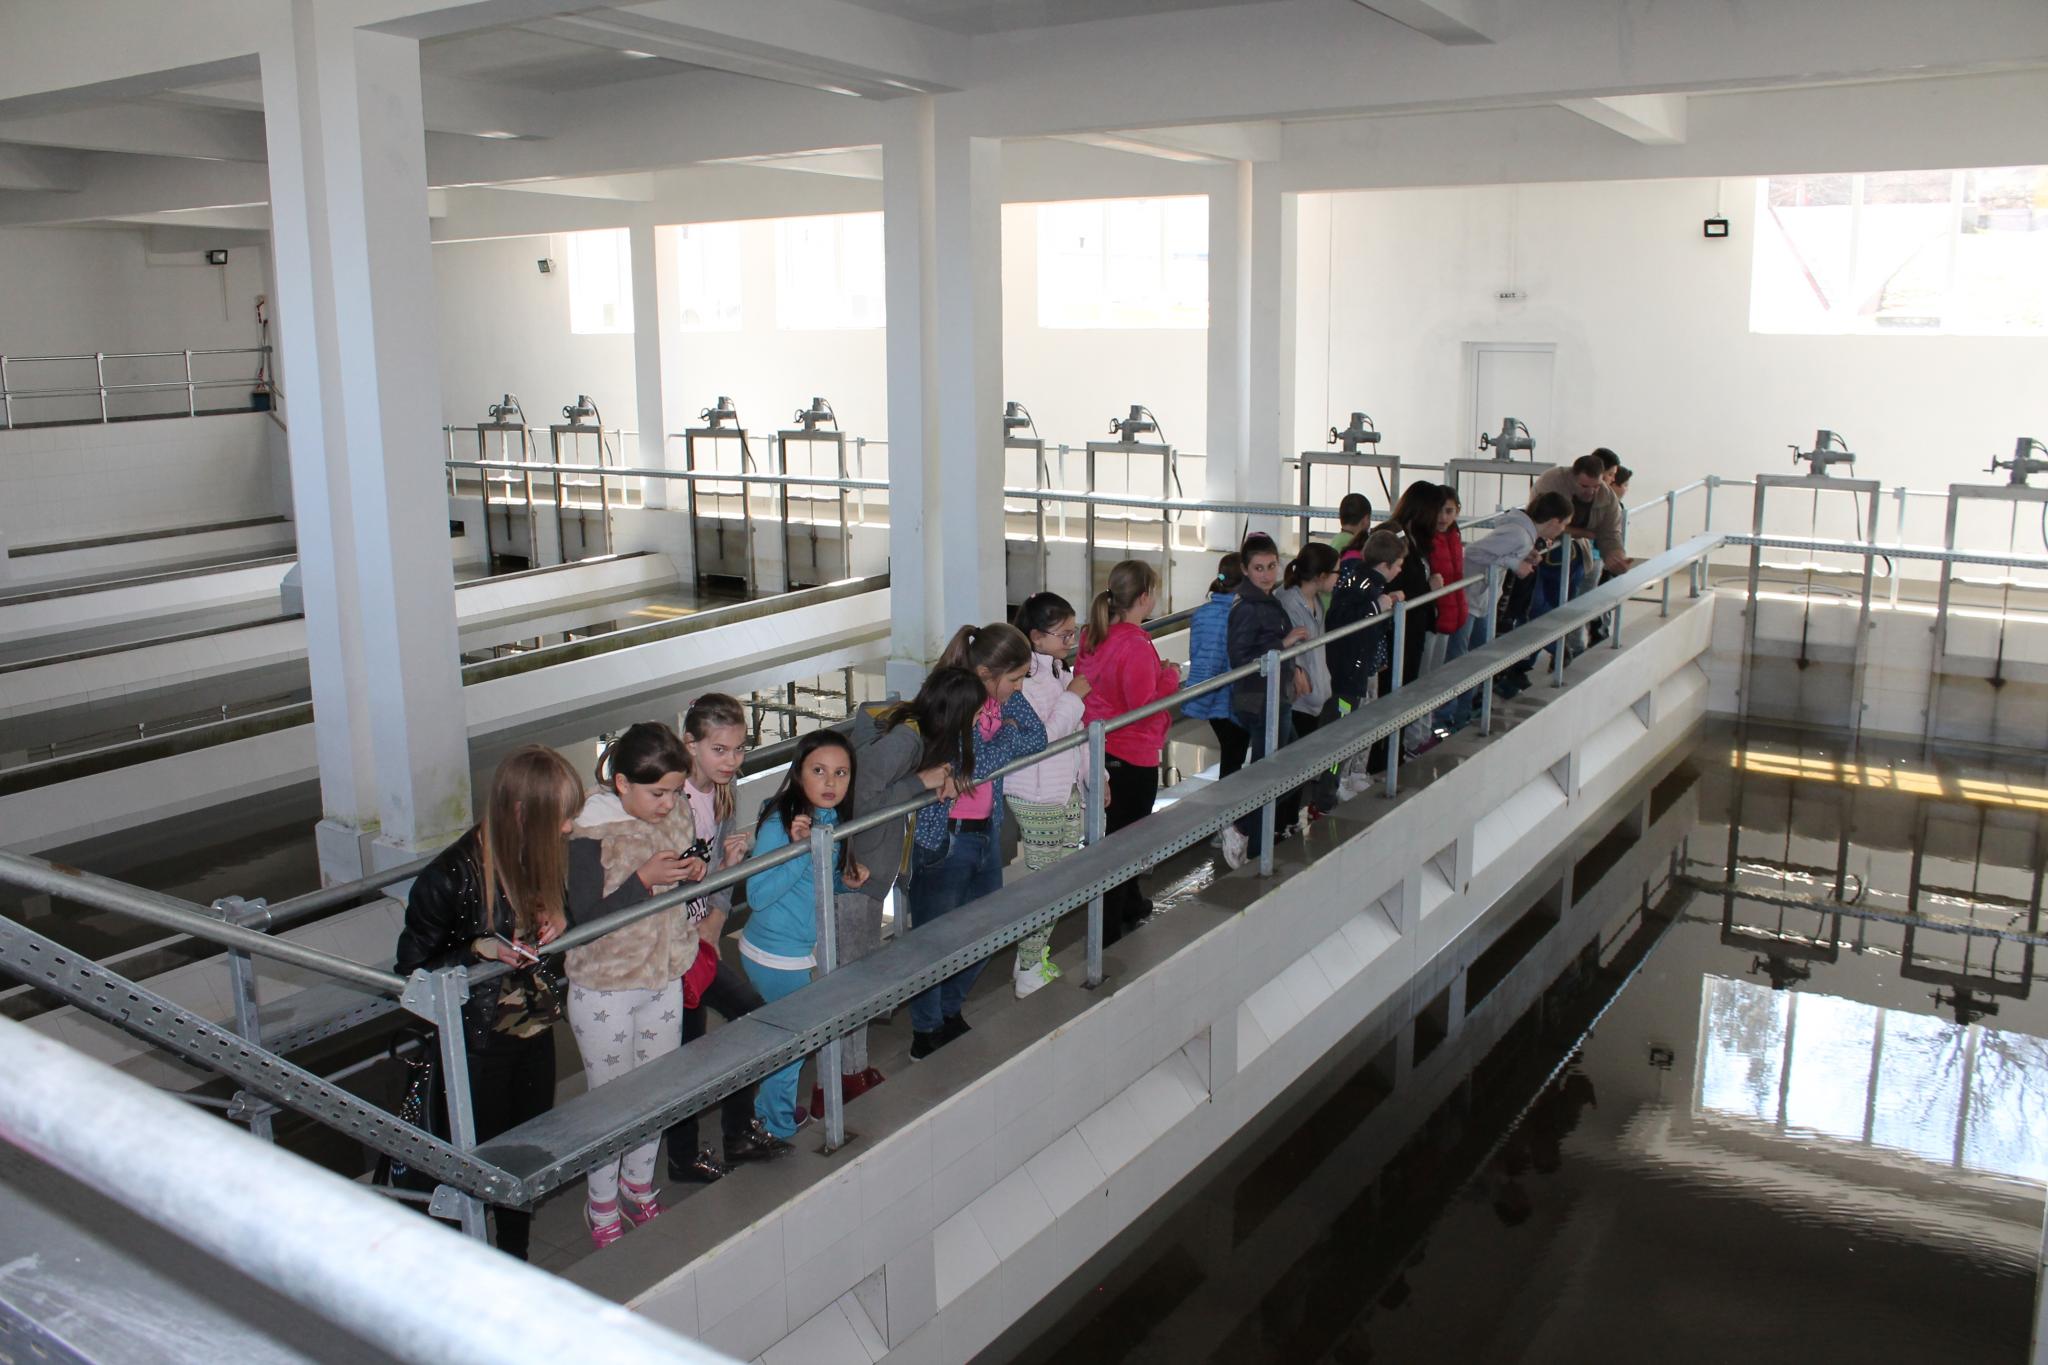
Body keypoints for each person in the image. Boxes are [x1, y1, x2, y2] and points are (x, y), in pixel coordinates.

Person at [395, 745, 582, 1262]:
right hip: (475, 1048)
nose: (568, 829)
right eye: (560, 818)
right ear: (521, 813)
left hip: (533, 1032)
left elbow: (557, 914)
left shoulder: (534, 852)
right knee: (476, 1162)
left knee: (523, 1157)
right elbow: (410, 973)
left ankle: (514, 1256)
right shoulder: (448, 878)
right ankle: (471, 1261)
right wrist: (477, 950)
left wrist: (561, 918)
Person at [561, 723, 708, 1247]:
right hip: (606, 985)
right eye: (657, 793)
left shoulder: (676, 813)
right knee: (612, 1103)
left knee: (655, 1093)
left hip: (663, 975)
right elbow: (583, 919)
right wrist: (643, 880)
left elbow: (683, 874)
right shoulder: (590, 830)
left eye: (675, 792)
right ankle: (600, 1205)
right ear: (622, 783)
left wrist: (693, 869)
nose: (669, 804)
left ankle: (638, 1187)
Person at [661, 695, 794, 1178]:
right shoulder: (669, 799)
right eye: (720, 750)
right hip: (671, 945)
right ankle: (684, 1156)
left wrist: (716, 915)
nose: (732, 761)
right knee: (688, 1049)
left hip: (698, 940)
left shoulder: (723, 790)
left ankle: (735, 1132)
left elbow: (714, 871)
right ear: (690, 745)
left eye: (739, 749)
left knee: (749, 1017)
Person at [846, 668, 979, 1060]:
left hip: (871, 866)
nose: (975, 723)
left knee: (858, 971)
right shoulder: (906, 739)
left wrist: (938, 777)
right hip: (859, 872)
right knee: (852, 979)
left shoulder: (917, 732)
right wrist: (921, 782)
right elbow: (862, 801)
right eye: (974, 714)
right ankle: (846, 1074)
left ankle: (853, 1068)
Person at [741, 731, 868, 1138]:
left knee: (791, 1041)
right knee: (795, 1046)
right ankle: (773, 1127)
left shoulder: (827, 817)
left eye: (841, 773)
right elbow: (757, 895)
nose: (831, 782)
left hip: (794, 950)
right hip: (773, 954)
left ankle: (768, 1113)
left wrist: (844, 880)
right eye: (819, 771)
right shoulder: (781, 822)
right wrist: (800, 851)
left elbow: (816, 882)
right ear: (798, 773)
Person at [1077, 561, 1181, 943]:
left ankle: (1131, 903)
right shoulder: (1134, 643)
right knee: (1125, 844)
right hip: (1132, 755)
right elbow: (1143, 707)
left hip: (1100, 750)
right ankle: (1106, 932)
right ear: (1144, 597)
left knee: (1115, 835)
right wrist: (1170, 676)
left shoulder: (1092, 635)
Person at [1005, 592, 1091, 998]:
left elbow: (1077, 732)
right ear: (1036, 637)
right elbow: (1044, 737)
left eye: (1074, 633)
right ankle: (1028, 969)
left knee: (1063, 877)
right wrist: (1073, 696)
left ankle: (1031, 954)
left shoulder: (1057, 669)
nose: (1071, 642)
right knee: (1047, 884)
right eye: (1064, 634)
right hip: (1036, 792)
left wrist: (1094, 775)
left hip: (1064, 787)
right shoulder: (1025, 680)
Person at [1221, 533, 1308, 869]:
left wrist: (1293, 667)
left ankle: (1248, 832)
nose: (1267, 574)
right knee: (1271, 776)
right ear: (1245, 569)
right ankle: (1247, 834)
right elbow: (1240, 658)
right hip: (1262, 701)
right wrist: (1283, 645)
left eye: (1272, 566)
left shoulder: (1267, 600)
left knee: (1293, 766)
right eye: (1259, 568)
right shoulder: (1248, 607)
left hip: (1275, 695)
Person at [1463, 490, 1572, 706]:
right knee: (1468, 658)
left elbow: (1497, 553)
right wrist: (1515, 563)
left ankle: (1468, 705)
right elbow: (1473, 552)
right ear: (1554, 522)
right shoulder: (1519, 534)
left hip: (1481, 599)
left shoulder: (1523, 534)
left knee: (1479, 655)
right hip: (1471, 598)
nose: (1563, 530)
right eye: (1564, 525)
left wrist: (1522, 556)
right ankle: (1457, 711)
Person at [1326, 528, 1405, 785]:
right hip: (1349, 673)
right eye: (1399, 564)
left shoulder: (1372, 584)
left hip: (1363, 668)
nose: (1401, 570)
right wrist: (1376, 607)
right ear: (1385, 565)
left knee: (1364, 723)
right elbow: (1342, 620)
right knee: (1344, 729)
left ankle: (1353, 774)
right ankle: (1335, 784)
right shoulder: (1358, 584)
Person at [1528, 453, 1631, 636]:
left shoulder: (1607, 497)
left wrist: (1616, 558)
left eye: (1596, 486)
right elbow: (1544, 522)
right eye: (1584, 486)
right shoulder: (1552, 482)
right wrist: (1588, 534)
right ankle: (1541, 644)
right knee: (1535, 603)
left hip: (1575, 555)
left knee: (1567, 601)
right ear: (1573, 477)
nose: (1590, 492)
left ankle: (1563, 644)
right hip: (1539, 550)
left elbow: (1611, 534)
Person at [1276, 541, 1340, 822]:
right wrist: (1296, 671)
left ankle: (1288, 820)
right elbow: (1281, 647)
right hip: (1299, 697)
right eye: (1336, 573)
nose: (1339, 578)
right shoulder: (1288, 602)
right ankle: (1282, 824)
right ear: (1321, 576)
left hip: (1315, 693)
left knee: (1302, 764)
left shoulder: (1315, 601)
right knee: (1292, 767)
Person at [1386, 481, 1447, 756]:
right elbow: (1396, 588)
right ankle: (1391, 753)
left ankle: (1401, 747)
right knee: (1397, 692)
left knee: (1413, 686)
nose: (1441, 519)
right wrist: (1428, 588)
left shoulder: (1416, 540)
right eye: (1437, 511)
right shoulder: (1395, 537)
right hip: (1401, 634)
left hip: (1416, 629)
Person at [1182, 554, 1248, 780]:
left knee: (1231, 754)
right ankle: (1233, 800)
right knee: (1235, 755)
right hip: (1233, 698)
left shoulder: (1202, 613)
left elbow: (1197, 653)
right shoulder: (1242, 614)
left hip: (1211, 699)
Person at [1424, 486, 1471, 733]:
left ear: (1457, 511)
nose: (1443, 517)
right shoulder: (1428, 539)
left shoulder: (1454, 536)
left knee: (1439, 673)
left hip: (1450, 614)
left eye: (1449, 511)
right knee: (1426, 677)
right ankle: (1423, 731)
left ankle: (1433, 725)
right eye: (1438, 511)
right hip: (1435, 617)